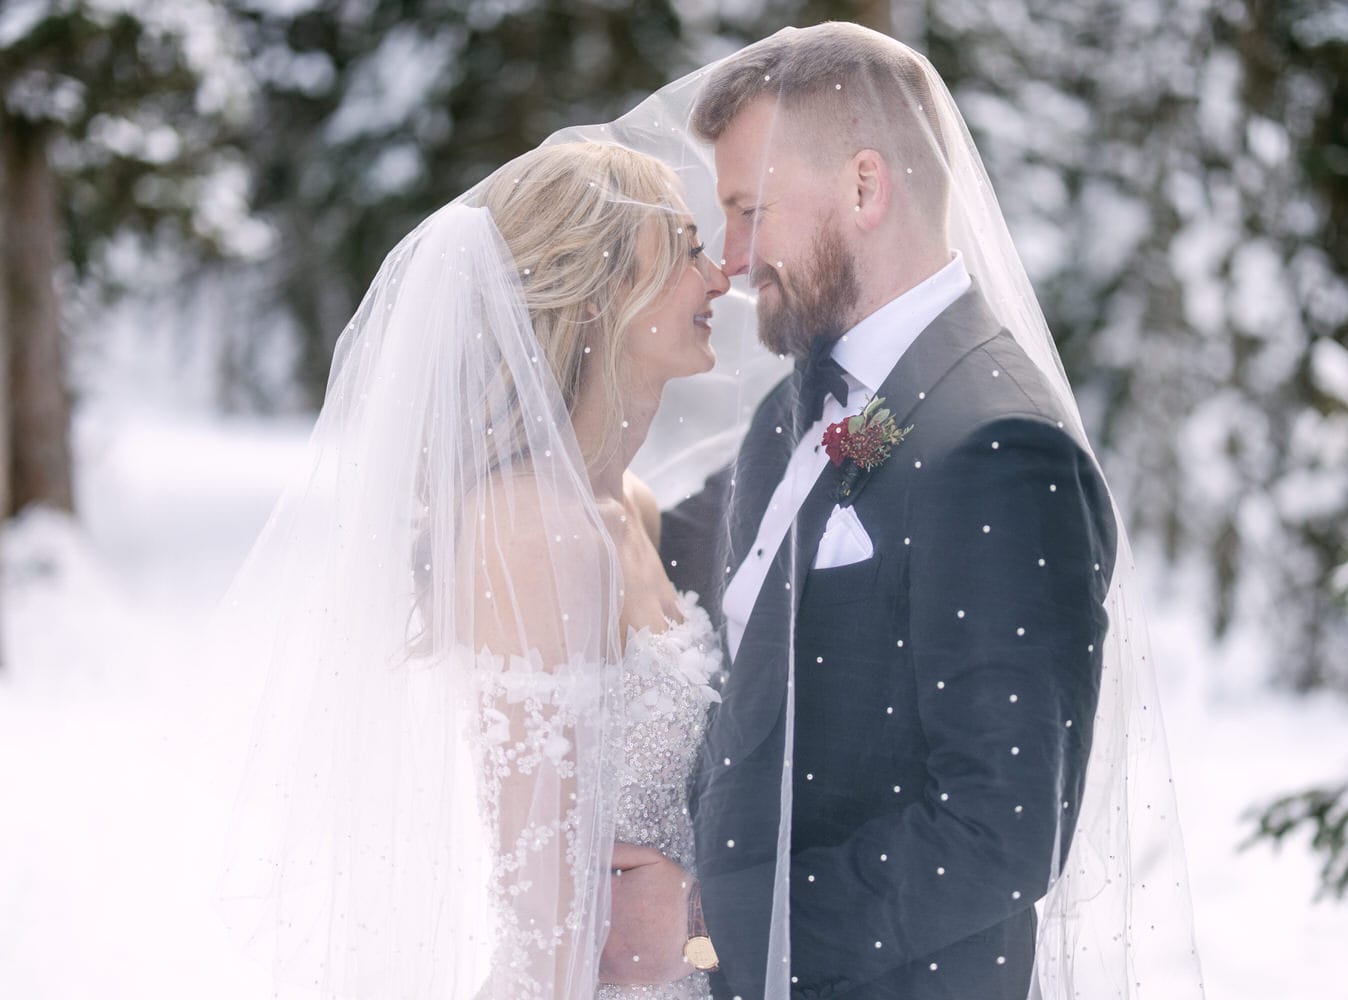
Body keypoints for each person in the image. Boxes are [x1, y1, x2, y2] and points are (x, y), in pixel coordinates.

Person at [599, 23, 1203, 1000]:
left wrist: (716, 928)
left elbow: (997, 833)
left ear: (866, 189)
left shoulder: (1001, 447)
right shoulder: (787, 414)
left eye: (751, 211)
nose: (738, 258)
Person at [218, 141, 732, 1000]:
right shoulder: (532, 531)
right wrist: (683, 924)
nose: (719, 279)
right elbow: (545, 913)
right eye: (687, 252)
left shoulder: (629, 507)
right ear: (603, 292)